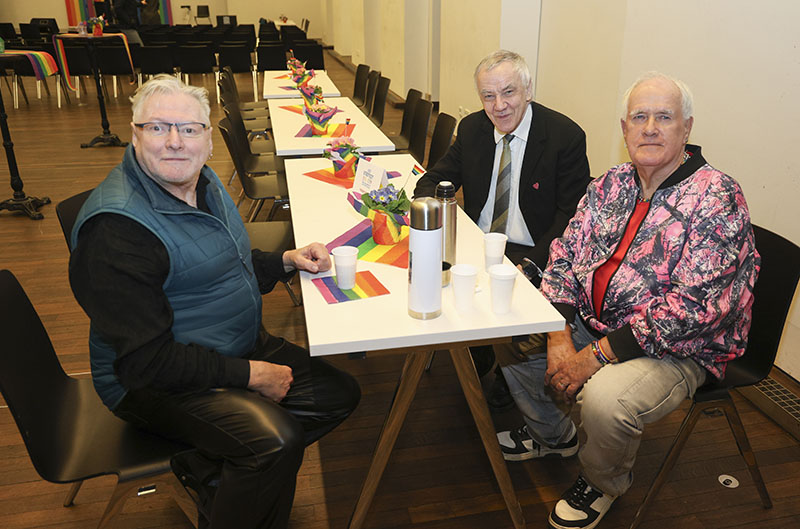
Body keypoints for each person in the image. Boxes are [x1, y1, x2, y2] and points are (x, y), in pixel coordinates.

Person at [69, 75, 360, 529]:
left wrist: (285, 261)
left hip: (227, 346)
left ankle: (211, 469)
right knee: (275, 442)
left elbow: (222, 263)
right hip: (149, 383)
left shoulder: (203, 183)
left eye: (188, 129)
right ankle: (232, 475)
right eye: (158, 127)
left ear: (208, 140)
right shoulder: (116, 232)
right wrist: (252, 375)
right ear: (134, 134)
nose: (174, 142)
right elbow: (145, 364)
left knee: (338, 394)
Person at [494, 72, 760, 529]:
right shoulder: (612, 183)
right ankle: (553, 435)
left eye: (664, 117)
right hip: (592, 322)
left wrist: (594, 356)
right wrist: (558, 333)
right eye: (639, 117)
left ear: (687, 128)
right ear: (624, 129)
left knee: (605, 400)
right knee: (510, 330)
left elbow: (692, 309)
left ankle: (603, 481)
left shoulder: (716, 197)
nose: (650, 128)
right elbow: (564, 254)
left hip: (680, 348)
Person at [414, 49, 591, 403]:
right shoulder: (472, 129)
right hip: (475, 244)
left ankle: (501, 368)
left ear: (528, 89)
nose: (499, 106)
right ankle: (476, 353)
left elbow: (571, 218)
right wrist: (433, 220)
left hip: (533, 250)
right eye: (488, 96)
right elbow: (433, 180)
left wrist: (531, 264)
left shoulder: (564, 136)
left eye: (508, 92)